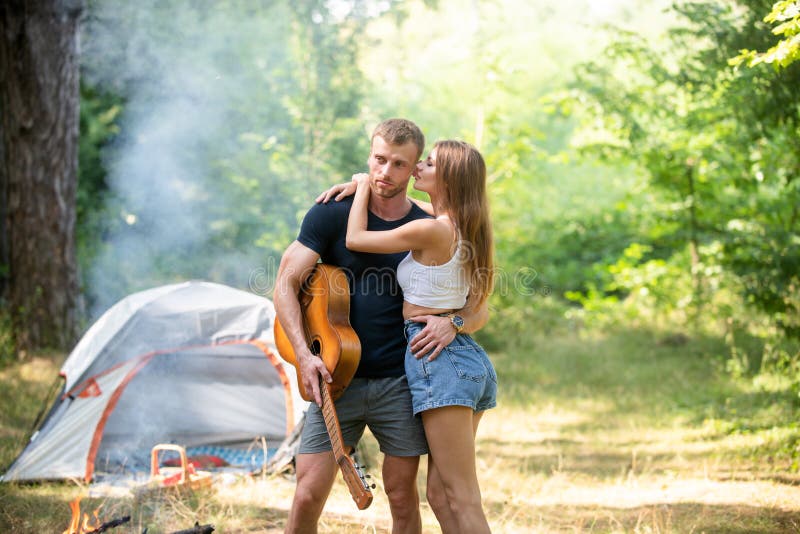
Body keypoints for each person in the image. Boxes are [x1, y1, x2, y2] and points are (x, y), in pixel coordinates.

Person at [274, 118, 488, 534]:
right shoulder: (332, 212)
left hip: (404, 381)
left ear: (415, 171)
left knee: (403, 495)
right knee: (307, 492)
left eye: (399, 164)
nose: (385, 173)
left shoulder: (432, 225)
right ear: (369, 157)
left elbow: (478, 308)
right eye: (378, 160)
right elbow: (285, 283)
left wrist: (454, 324)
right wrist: (303, 356)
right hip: (336, 377)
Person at [330, 139, 496, 533]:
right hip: (464, 359)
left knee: (461, 496)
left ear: (450, 179)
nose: (420, 165)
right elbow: (478, 309)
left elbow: (355, 239)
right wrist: (453, 322)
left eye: (430, 163)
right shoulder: (465, 227)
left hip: (442, 364)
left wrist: (362, 184)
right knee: (440, 495)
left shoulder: (431, 230)